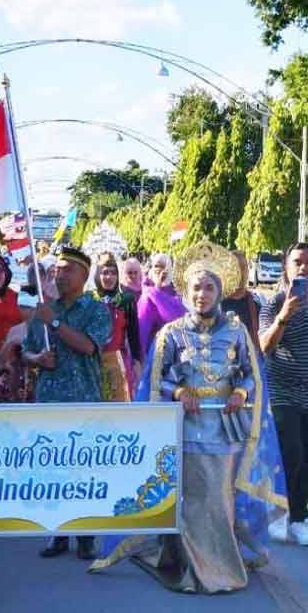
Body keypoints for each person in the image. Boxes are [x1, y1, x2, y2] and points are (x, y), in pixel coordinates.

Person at [91, 240, 287, 592]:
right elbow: (156, 378)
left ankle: (220, 563)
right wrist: (181, 392)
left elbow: (249, 373)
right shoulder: (171, 333)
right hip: (187, 429)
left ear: (220, 291)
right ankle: (199, 571)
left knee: (221, 500)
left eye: (209, 287)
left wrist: (240, 393)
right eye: (196, 286)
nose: (202, 294)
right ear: (186, 290)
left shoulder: (237, 330)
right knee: (195, 500)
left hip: (225, 428)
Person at [23, 245, 112, 559]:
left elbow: (89, 347)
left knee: (82, 469)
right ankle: (56, 533)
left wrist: (56, 324)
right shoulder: (44, 308)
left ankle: (86, 535)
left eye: (68, 270)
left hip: (83, 399)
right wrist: (38, 358)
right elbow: (26, 351)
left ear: (84, 276)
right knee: (52, 469)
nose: (60, 275)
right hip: (49, 399)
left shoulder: (96, 310)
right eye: (57, 270)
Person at [260, 242, 308, 545]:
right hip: (282, 392)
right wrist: (285, 315)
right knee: (291, 453)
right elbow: (265, 345)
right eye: (297, 262)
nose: (303, 267)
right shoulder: (275, 302)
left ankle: (298, 515)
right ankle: (286, 514)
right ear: (286, 268)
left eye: (307, 263)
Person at [93, 252, 143, 401]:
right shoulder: (89, 299)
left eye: (113, 273)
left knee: (119, 404)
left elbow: (133, 335)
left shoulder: (126, 299)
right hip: (92, 361)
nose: (109, 277)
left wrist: (137, 364)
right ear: (97, 274)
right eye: (104, 273)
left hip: (117, 360)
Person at [138, 252, 186, 356]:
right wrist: (157, 289)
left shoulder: (176, 291)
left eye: (163, 266)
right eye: (156, 266)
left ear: (169, 267)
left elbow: (180, 318)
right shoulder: (147, 290)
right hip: (154, 347)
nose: (159, 270)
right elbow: (142, 325)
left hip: (175, 346)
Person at [223, 250, 262, 357]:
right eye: (235, 268)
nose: (241, 272)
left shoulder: (257, 304)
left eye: (244, 268)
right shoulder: (215, 304)